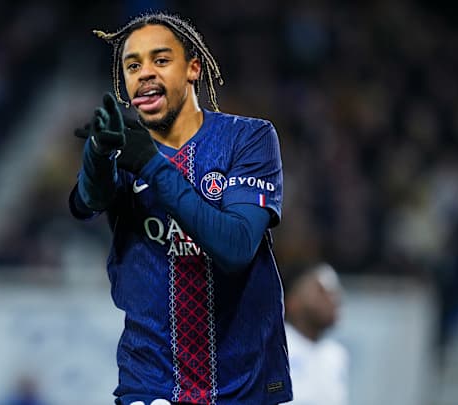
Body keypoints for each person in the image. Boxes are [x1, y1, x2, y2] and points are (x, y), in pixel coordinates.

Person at [69, 12, 292, 405]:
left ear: (193, 68)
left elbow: (236, 247)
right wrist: (97, 157)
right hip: (151, 386)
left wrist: (152, 165)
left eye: (160, 59)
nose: (145, 73)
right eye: (133, 65)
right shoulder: (124, 146)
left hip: (245, 388)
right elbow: (86, 202)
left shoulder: (248, 138)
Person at [281, 263, 349, 405]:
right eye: (321, 291)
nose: (333, 299)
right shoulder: (274, 349)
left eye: (334, 292)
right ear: (292, 301)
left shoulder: (336, 355)